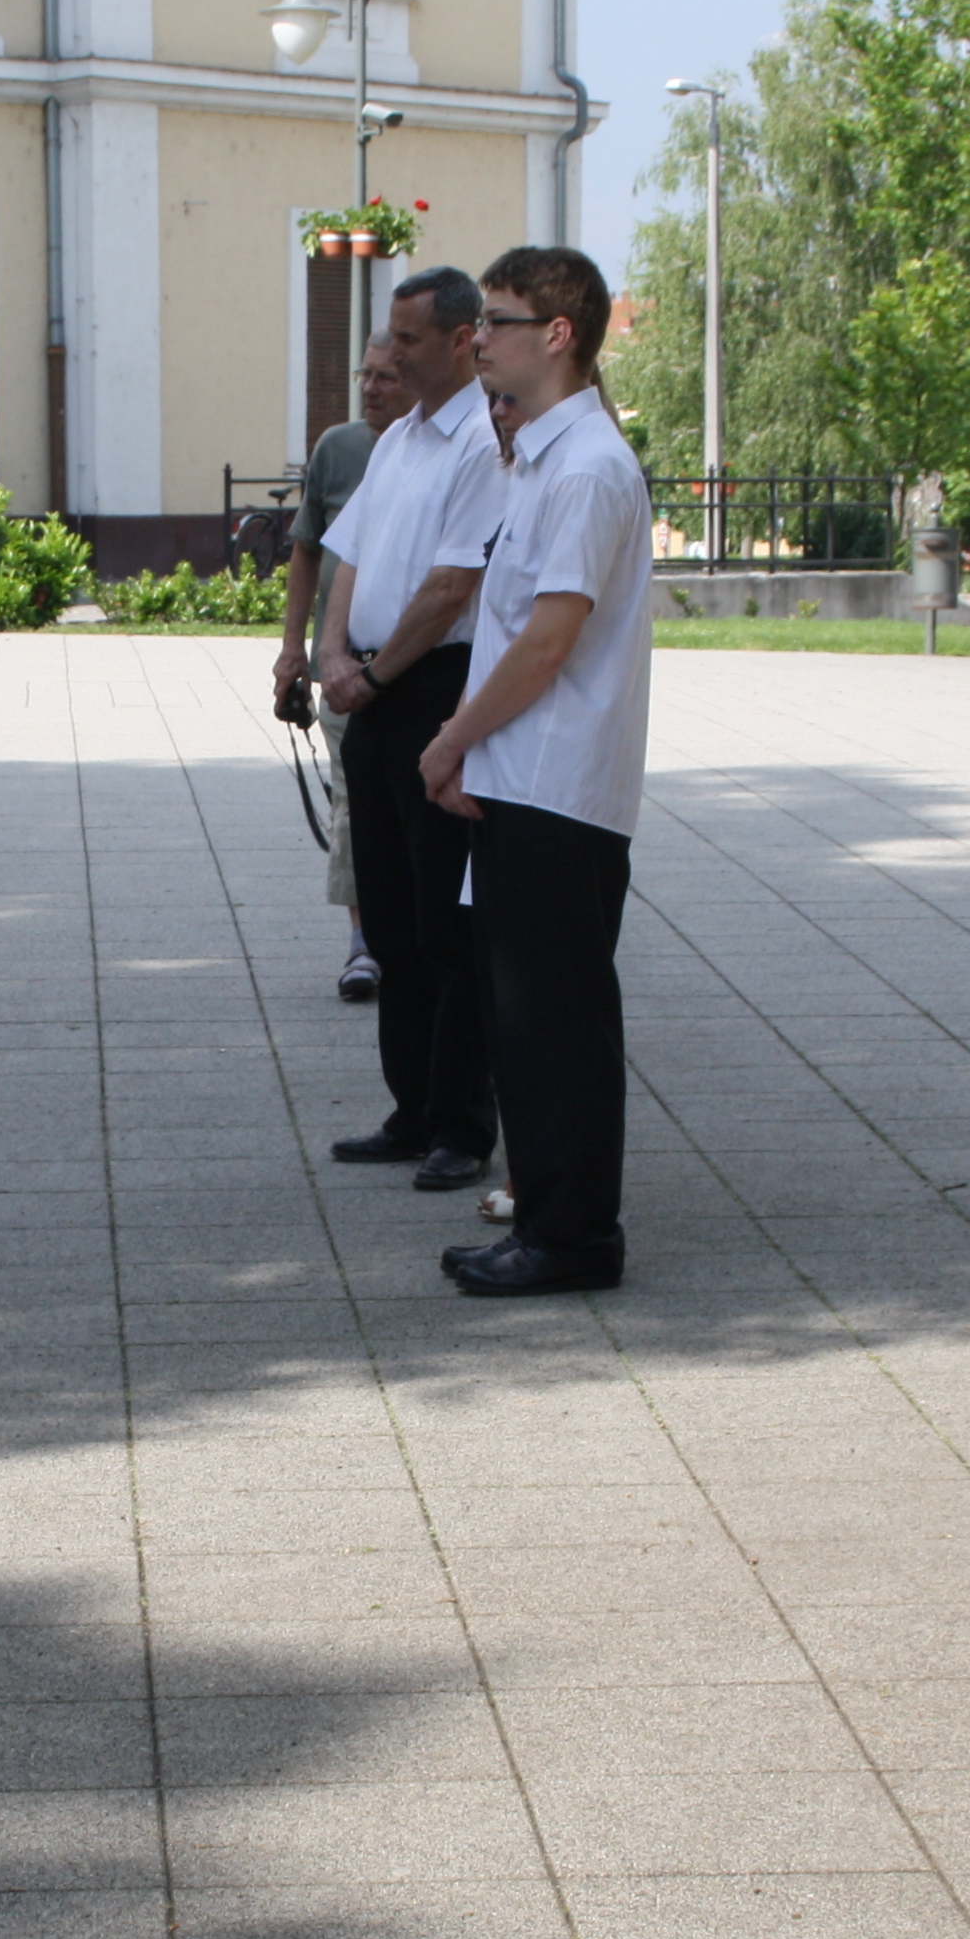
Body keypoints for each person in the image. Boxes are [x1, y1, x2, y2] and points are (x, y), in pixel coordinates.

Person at [421, 245, 651, 1296]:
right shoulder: (545, 460)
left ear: (557, 335)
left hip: (558, 785)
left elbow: (547, 640)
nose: (479, 340)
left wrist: (451, 737)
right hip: (527, 779)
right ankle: (551, 1222)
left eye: (497, 321)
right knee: (527, 1023)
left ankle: (573, 1239)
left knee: (556, 1026)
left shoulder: (589, 466)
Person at [314, 268, 508, 1195]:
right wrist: (329, 654)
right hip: (373, 690)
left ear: (463, 339)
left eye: (410, 338)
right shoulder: (398, 441)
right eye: (389, 335)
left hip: (431, 686)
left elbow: (452, 586)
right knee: (388, 916)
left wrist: (377, 672)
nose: (391, 354)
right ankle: (412, 1108)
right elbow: (347, 556)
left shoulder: (481, 442)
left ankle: (462, 1124)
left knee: (444, 924)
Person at [275, 338, 405, 1001]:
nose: (370, 388)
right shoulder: (339, 448)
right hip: (343, 669)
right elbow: (306, 551)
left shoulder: (442, 450)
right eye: (365, 375)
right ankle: (364, 940)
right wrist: (293, 650)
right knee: (353, 801)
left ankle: (408, 928)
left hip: (415, 667)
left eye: (386, 377)